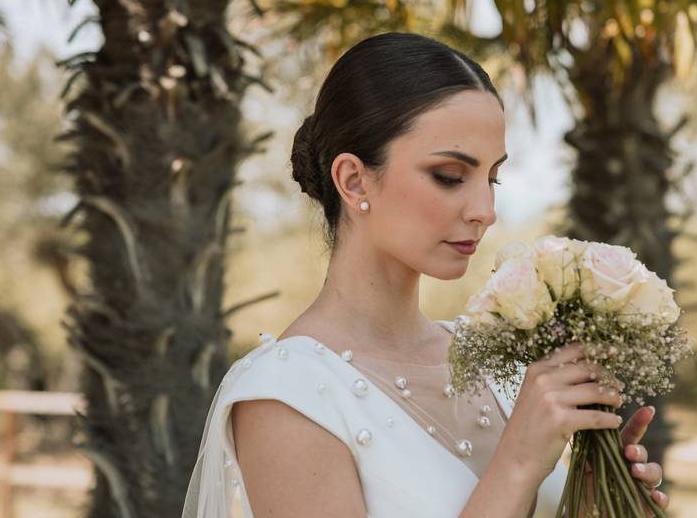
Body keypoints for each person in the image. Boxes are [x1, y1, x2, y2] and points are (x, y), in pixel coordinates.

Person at [182, 32, 669, 517]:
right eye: (450, 176)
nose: (485, 210)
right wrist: (518, 462)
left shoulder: (487, 363)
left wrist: (591, 506)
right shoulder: (286, 396)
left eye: (492, 177)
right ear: (353, 180)